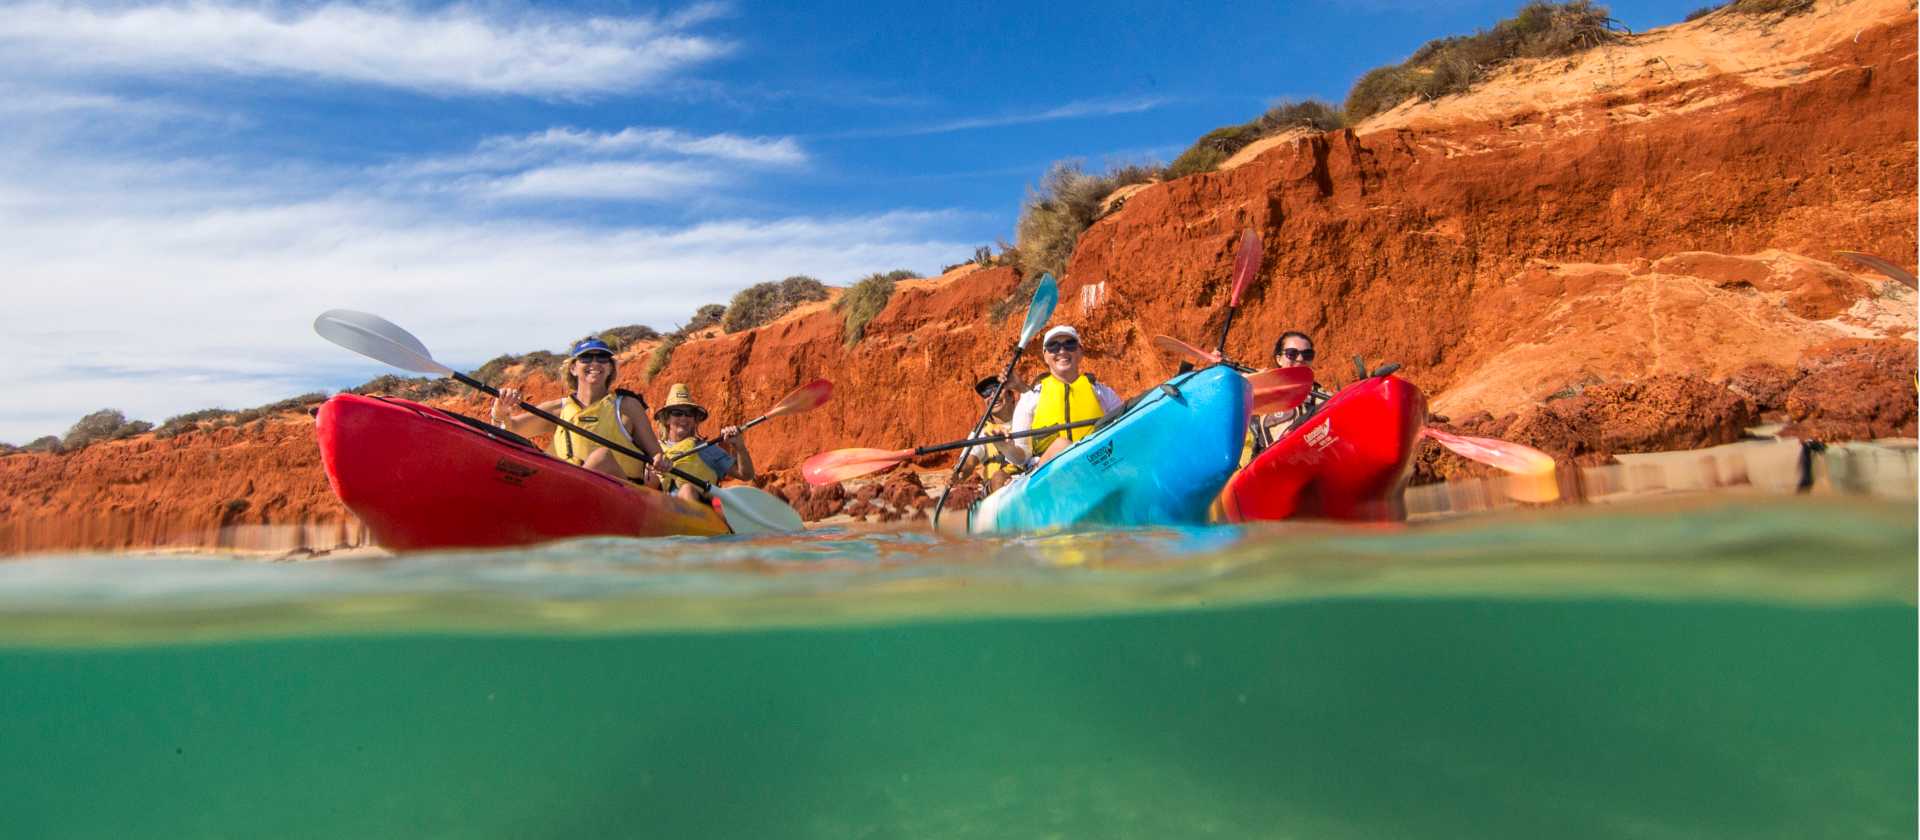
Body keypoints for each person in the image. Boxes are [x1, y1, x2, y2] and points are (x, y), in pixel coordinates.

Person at [492, 338, 671, 481]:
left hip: (622, 494)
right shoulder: (557, 409)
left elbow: (656, 454)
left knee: (601, 457)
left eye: (602, 358)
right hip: (565, 491)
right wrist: (500, 411)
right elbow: (509, 429)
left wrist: (660, 461)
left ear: (609, 368)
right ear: (573, 368)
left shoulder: (627, 406)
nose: (595, 363)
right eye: (586, 358)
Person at [1011, 325, 1124, 466]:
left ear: (1080, 352)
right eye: (1053, 346)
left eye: (1070, 344)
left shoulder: (1102, 392)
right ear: (1045, 356)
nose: (1062, 351)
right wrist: (1004, 446)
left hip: (1097, 461)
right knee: (1061, 445)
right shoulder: (1031, 399)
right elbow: (1021, 458)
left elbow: (1123, 429)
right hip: (1051, 472)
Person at [652, 383, 756, 503]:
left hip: (698, 511)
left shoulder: (706, 449)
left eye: (689, 413)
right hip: (659, 510)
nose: (684, 418)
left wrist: (739, 447)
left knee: (687, 490)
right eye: (677, 413)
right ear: (667, 419)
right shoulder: (654, 449)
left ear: (695, 420)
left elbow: (746, 474)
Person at [1251, 330, 1332, 451]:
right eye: (1292, 353)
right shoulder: (1256, 393)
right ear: (1279, 359)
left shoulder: (1322, 395)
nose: (1300, 359)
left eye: (1307, 354)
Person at [957, 373, 1029, 491]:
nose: (992, 396)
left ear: (1011, 396)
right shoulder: (982, 431)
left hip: (1029, 477)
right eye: (985, 394)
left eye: (997, 390)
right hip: (997, 485)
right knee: (999, 478)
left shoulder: (1027, 416)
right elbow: (968, 462)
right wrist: (959, 472)